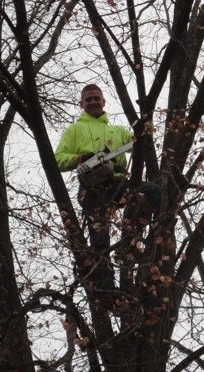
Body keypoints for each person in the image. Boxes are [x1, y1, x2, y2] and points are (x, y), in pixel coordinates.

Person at [55, 84, 158, 295]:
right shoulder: (74, 130)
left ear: (103, 101)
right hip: (92, 188)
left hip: (118, 183)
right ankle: (107, 292)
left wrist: (145, 120)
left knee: (154, 191)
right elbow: (58, 160)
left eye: (96, 98)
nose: (93, 102)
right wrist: (81, 158)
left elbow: (143, 141)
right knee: (99, 242)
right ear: (82, 103)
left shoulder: (117, 131)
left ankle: (134, 237)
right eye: (88, 99)